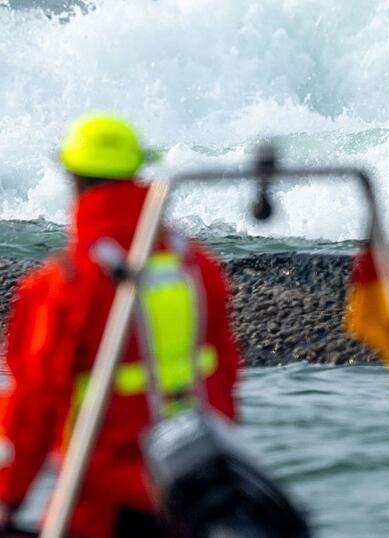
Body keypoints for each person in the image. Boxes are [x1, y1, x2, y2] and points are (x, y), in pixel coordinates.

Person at [0, 114, 241, 536]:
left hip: (103, 502)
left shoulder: (64, 283)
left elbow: (31, 408)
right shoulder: (196, 267)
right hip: (196, 492)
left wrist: (7, 496)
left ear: (74, 180)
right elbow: (224, 373)